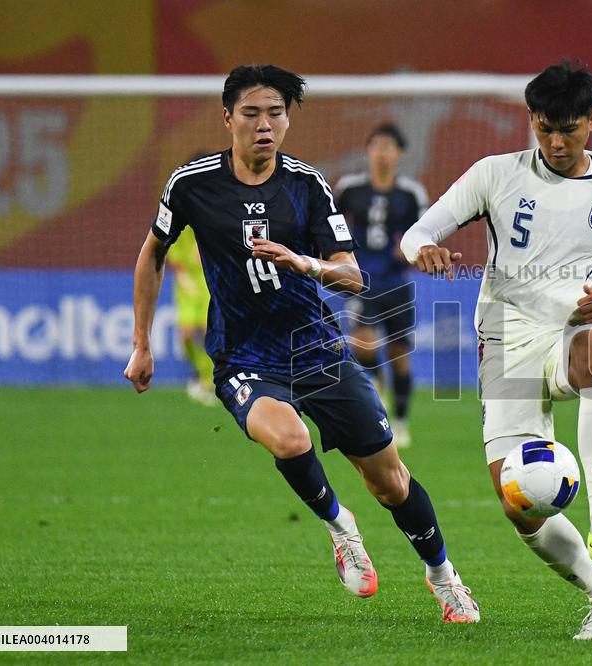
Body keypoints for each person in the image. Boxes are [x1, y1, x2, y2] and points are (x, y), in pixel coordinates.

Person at [123, 64, 478, 623]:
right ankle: (342, 527)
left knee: (390, 482)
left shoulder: (307, 185)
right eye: (252, 113)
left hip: (317, 351)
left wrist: (305, 263)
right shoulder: (190, 183)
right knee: (287, 439)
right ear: (227, 118)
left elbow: (353, 276)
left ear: (288, 120)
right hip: (242, 355)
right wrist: (141, 343)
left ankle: (442, 575)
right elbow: (152, 253)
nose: (265, 125)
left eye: (276, 113)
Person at [401, 61, 592, 640]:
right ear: (531, 119)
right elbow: (417, 233)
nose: (554, 141)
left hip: (570, 330)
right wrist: (424, 250)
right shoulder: (494, 175)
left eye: (568, 129)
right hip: (503, 340)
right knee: (519, 503)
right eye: (544, 127)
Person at [334, 124, 428, 448]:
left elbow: (423, 235)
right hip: (360, 281)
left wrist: (409, 251)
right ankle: (377, 384)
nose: (382, 152)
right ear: (368, 151)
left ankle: (401, 421)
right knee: (363, 346)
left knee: (399, 355)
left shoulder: (411, 194)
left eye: (389, 146)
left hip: (396, 283)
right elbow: (329, 224)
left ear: (399, 154)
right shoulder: (349, 189)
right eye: (376, 145)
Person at [166, 203, 217, 406]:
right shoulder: (179, 227)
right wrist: (184, 279)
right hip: (187, 286)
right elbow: (175, 258)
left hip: (208, 283)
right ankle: (199, 372)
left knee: (207, 332)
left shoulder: (212, 222)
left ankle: (208, 380)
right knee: (185, 334)